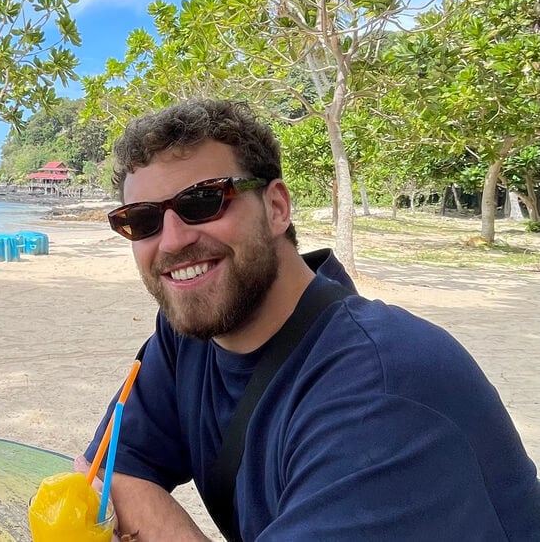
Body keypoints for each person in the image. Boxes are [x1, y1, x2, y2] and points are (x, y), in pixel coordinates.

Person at [79, 98, 540, 541]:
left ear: (277, 207)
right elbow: (103, 471)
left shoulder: (382, 387)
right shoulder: (190, 336)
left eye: (204, 202)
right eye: (142, 221)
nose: (173, 240)